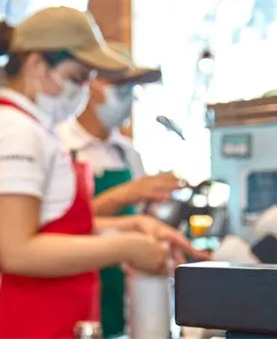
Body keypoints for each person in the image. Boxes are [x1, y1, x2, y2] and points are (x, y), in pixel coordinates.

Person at [0, 7, 205, 339]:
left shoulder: (34, 129)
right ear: (37, 64)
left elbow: (54, 227)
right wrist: (126, 247)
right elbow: (17, 250)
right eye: (78, 77)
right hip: (21, 318)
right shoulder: (16, 132)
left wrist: (131, 225)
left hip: (49, 314)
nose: (83, 90)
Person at [55, 43, 183, 338]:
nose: (126, 98)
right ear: (92, 84)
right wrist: (126, 194)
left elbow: (136, 221)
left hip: (123, 289)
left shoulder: (128, 155)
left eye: (131, 88)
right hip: (73, 281)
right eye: (120, 86)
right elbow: (60, 223)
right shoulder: (60, 145)